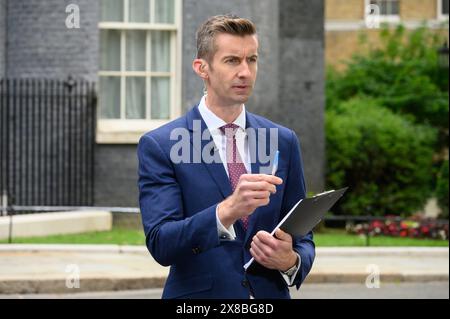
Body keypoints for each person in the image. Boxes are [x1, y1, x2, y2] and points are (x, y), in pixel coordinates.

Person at [138, 14, 315, 299]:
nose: (245, 72)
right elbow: (162, 244)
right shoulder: (161, 145)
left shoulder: (283, 140)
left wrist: (291, 261)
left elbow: (303, 237)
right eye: (232, 60)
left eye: (252, 60)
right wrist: (228, 210)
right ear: (202, 68)